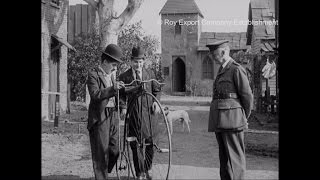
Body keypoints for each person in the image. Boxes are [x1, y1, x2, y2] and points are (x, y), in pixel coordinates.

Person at [207, 40, 254, 180]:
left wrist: (243, 117)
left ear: (224, 52)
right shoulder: (222, 70)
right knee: (224, 159)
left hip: (233, 121)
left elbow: (247, 97)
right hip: (220, 122)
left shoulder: (236, 69)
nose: (214, 58)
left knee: (235, 160)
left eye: (215, 55)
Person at [118, 46, 161, 180]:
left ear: (144, 61)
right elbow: (121, 95)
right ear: (131, 61)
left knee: (150, 142)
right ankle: (139, 173)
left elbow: (157, 90)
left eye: (141, 61)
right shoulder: (124, 76)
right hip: (133, 115)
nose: (138, 64)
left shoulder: (150, 74)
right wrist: (123, 107)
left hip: (149, 114)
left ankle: (148, 168)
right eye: (136, 61)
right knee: (135, 145)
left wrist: (156, 102)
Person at [87, 44, 125, 180]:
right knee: (100, 154)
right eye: (113, 65)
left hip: (113, 116)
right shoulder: (93, 75)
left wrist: (122, 106)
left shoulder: (111, 76)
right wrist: (112, 88)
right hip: (99, 118)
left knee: (115, 150)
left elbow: (117, 95)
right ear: (104, 62)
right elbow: (95, 94)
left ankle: (104, 172)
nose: (115, 68)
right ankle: (101, 176)